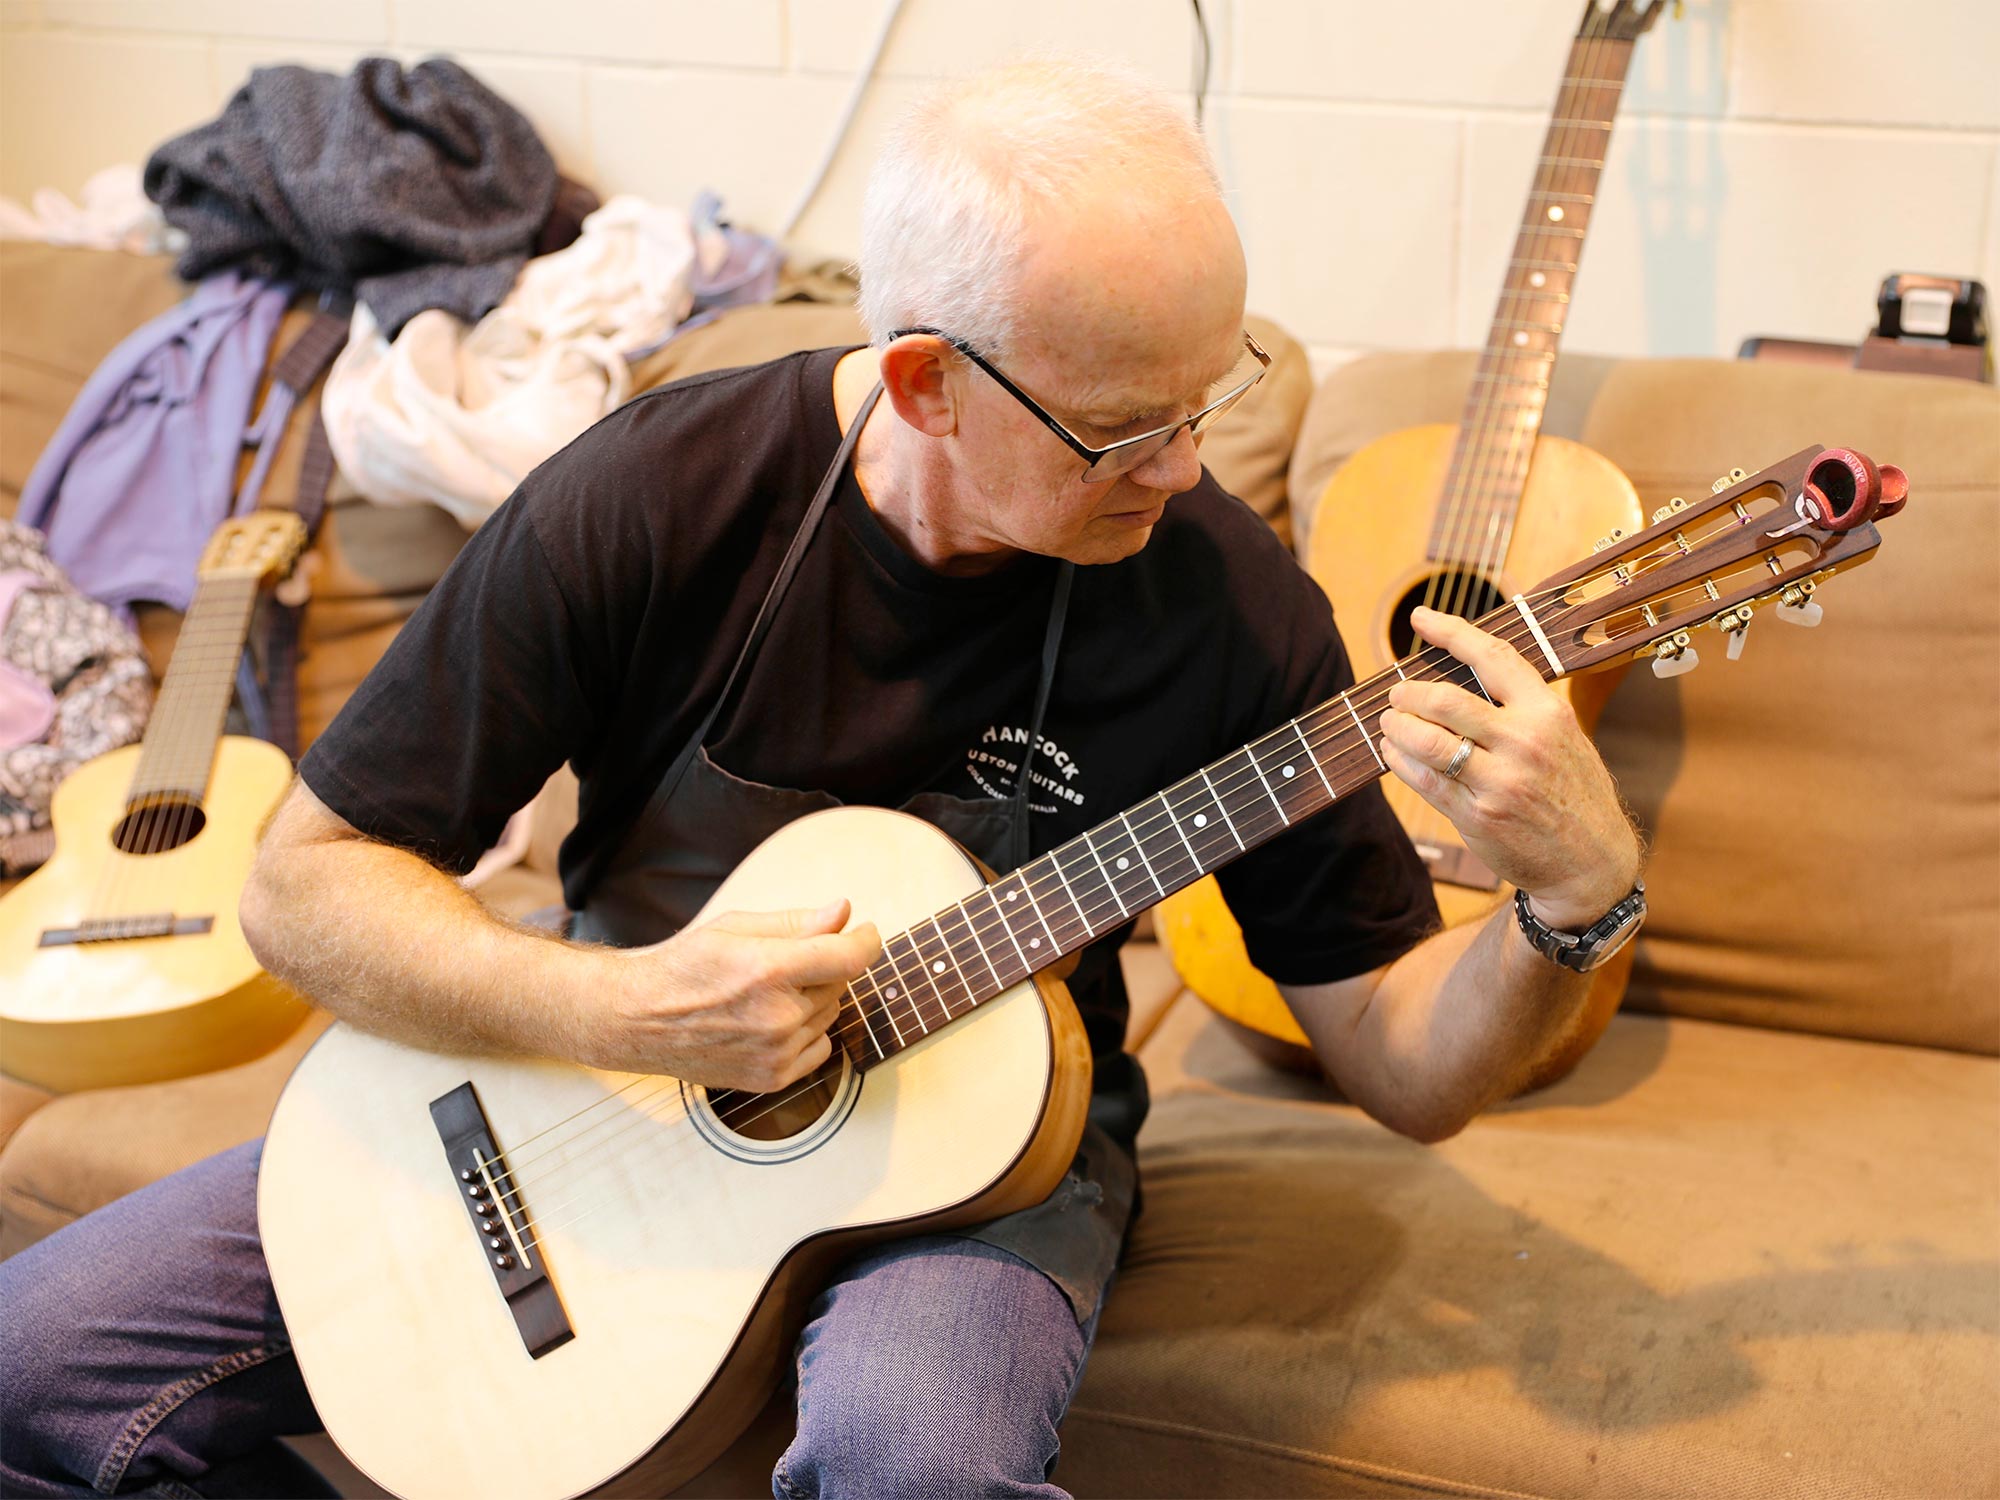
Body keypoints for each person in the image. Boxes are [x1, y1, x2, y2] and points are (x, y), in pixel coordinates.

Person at [0, 57, 1642, 1500]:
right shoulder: (657, 495)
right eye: (1123, 425)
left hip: (985, 1170)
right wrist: (625, 1017)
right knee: (29, 1367)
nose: (1185, 467)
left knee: (908, 1464)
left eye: (1214, 398)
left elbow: (1407, 1064)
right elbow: (299, 884)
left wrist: (1575, 900)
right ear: (928, 381)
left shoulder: (1227, 607)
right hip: (579, 1090)